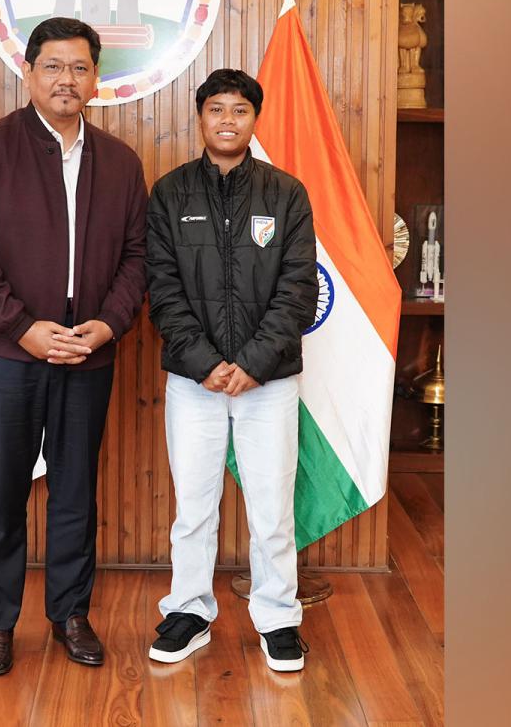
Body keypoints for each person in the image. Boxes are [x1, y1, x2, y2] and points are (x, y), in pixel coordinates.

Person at [0, 17, 148, 677]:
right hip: (7, 355)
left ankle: (70, 614)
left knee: (75, 493)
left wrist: (108, 324)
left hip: (88, 353)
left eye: (79, 67)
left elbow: (138, 258)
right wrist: (22, 327)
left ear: (96, 79)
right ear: (28, 72)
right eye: (53, 66)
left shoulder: (120, 162)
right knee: (1, 494)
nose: (67, 79)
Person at [144, 68, 319, 672]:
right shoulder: (170, 193)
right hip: (194, 382)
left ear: (254, 119)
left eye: (239, 110)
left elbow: (299, 290)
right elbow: (161, 289)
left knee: (271, 508)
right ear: (200, 117)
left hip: (268, 382)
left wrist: (251, 364)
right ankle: (189, 612)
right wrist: (206, 364)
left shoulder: (286, 193)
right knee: (194, 506)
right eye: (216, 108)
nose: (227, 120)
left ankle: (278, 618)